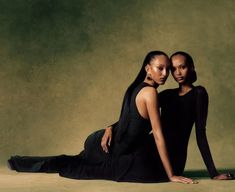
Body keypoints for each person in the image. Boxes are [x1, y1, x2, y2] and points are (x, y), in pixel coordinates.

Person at [8, 51, 194, 184]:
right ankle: (20, 162)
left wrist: (109, 127)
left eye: (167, 70)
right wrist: (171, 175)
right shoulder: (150, 93)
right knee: (71, 164)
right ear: (148, 68)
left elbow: (129, 119)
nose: (165, 74)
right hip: (108, 148)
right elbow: (158, 135)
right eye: (160, 68)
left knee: (68, 161)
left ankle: (19, 162)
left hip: (102, 142)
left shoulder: (136, 87)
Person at [102, 51, 234, 181]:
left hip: (174, 160)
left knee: (114, 167)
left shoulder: (199, 93)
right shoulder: (167, 95)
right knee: (108, 164)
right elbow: (135, 114)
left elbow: (201, 134)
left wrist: (213, 173)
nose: (178, 73)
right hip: (148, 149)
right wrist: (111, 127)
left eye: (182, 67)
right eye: (173, 69)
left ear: (192, 67)